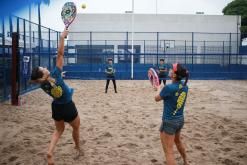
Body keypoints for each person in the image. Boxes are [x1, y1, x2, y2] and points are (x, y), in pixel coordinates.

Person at [29, 29, 81, 165]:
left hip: (56, 107)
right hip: (68, 105)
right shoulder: (56, 74)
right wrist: (62, 37)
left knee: (58, 131)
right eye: (43, 68)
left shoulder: (41, 84)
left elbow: (35, 80)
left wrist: (44, 78)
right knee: (76, 127)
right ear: (42, 74)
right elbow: (60, 53)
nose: (45, 67)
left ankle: (50, 152)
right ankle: (77, 147)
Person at [155, 63, 189, 165]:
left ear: (174, 75)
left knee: (169, 152)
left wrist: (158, 88)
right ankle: (186, 162)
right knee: (177, 141)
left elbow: (156, 98)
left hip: (169, 121)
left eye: (171, 69)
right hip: (179, 120)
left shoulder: (168, 88)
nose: (169, 70)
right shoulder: (184, 86)